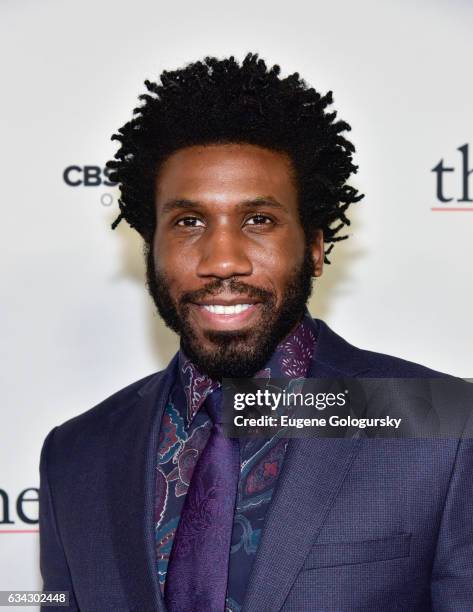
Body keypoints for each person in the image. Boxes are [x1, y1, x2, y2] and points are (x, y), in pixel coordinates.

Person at [39, 53, 473, 611]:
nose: (223, 260)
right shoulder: (77, 454)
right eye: (188, 222)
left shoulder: (445, 427)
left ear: (315, 246)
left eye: (259, 220)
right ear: (151, 247)